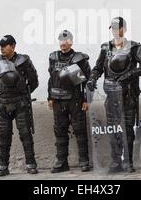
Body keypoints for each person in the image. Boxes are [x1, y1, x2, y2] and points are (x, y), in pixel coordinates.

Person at [87, 17, 141, 173]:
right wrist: (92, 79)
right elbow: (97, 68)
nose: (116, 31)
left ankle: (128, 161)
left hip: (128, 94)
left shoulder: (134, 47)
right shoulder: (105, 48)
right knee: (113, 129)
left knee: (128, 129)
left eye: (118, 28)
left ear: (124, 29)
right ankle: (116, 161)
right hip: (111, 95)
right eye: (113, 28)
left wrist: (129, 74)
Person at [0, 35, 39, 176]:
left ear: (13, 46)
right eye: (0, 45)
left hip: (20, 102)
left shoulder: (23, 61)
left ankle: (31, 164)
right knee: (4, 135)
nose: (1, 48)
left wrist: (22, 92)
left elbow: (34, 81)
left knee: (25, 134)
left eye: (4, 45)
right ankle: (3, 165)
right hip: (3, 103)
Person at [47, 30, 92, 173]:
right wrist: (50, 96)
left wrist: (86, 99)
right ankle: (61, 161)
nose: (63, 43)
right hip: (58, 99)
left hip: (75, 100)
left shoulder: (79, 58)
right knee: (60, 131)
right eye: (61, 40)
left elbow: (88, 81)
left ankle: (84, 161)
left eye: (66, 40)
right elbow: (51, 78)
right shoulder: (53, 57)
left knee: (79, 130)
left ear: (71, 41)